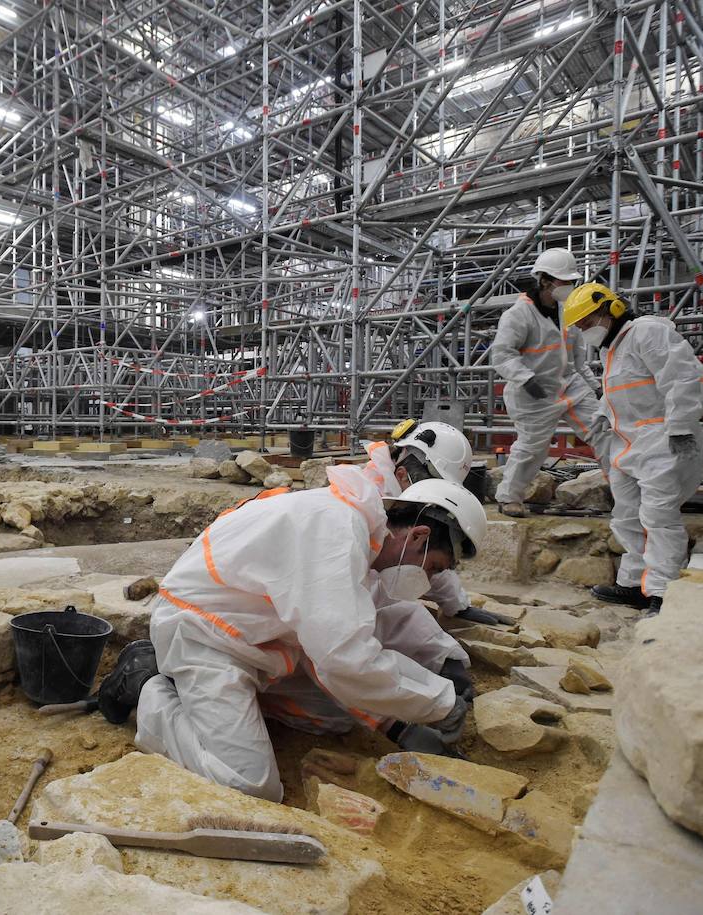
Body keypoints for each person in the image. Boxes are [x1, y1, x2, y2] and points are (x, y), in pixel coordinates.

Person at [97, 471, 486, 802]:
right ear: (417, 537)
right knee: (250, 783)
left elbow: (331, 652)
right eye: (434, 568)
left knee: (332, 719)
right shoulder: (335, 535)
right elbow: (344, 658)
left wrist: (400, 726)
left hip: (259, 642)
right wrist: (438, 703)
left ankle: (219, 708)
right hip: (205, 636)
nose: (431, 581)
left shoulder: (357, 535)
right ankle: (147, 682)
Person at [562, 282, 703, 614]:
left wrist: (682, 427)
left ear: (611, 309)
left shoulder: (647, 332)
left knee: (658, 518)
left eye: (587, 323)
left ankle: (662, 590)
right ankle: (633, 584)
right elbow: (621, 393)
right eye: (580, 326)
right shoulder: (612, 349)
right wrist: (601, 415)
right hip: (629, 446)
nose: (585, 331)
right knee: (627, 517)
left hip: (662, 441)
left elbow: (684, 379)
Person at [490, 247, 613, 517]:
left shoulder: (567, 311)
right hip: (533, 393)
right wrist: (525, 377)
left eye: (572, 281)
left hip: (568, 384)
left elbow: (578, 360)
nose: (569, 286)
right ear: (544, 280)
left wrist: (593, 385)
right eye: (564, 281)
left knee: (604, 427)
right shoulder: (518, 315)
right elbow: (501, 354)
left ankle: (625, 489)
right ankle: (509, 497)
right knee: (534, 447)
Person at [357, 421, 513, 627]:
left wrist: (457, 605)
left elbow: (424, 558)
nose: (434, 492)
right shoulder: (368, 500)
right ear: (403, 474)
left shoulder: (396, 492)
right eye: (432, 483)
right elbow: (406, 567)